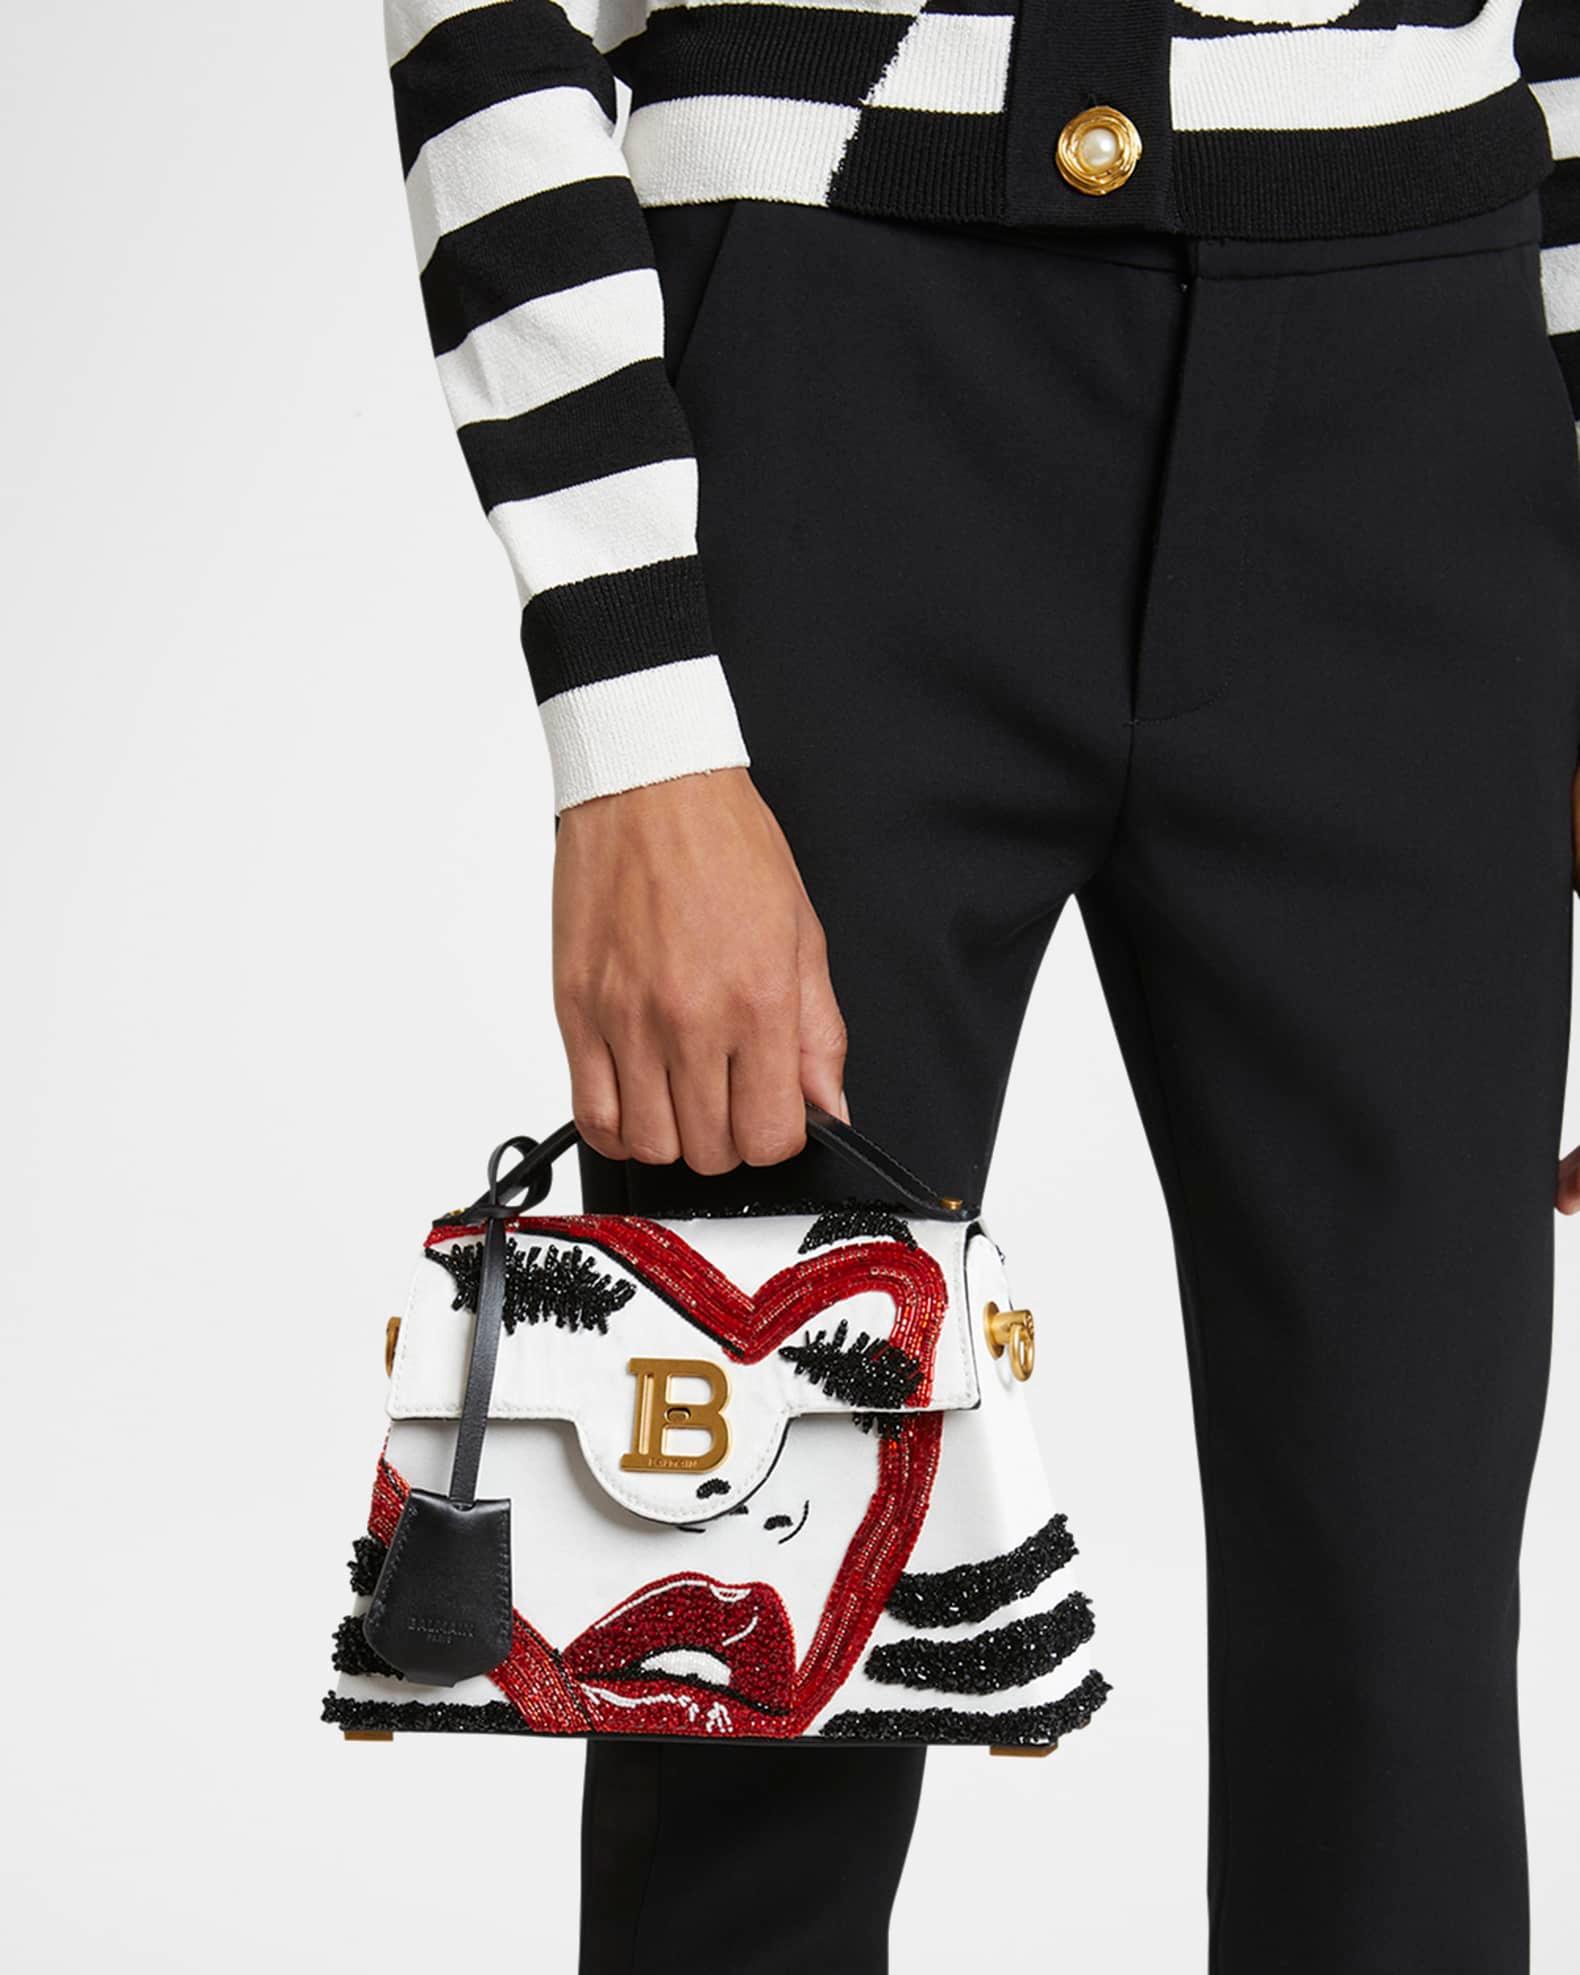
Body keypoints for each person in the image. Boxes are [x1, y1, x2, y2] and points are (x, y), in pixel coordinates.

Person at [378, 1, 1580, 1967]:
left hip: (1428, 401)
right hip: (836, 388)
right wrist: (636, 730)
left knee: (1407, 1636)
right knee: (753, 1657)